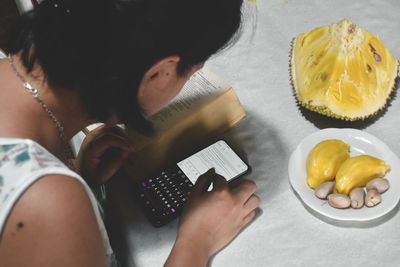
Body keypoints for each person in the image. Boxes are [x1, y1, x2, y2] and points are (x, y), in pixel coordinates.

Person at [0, 0, 259, 266]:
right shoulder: (48, 205)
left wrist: (79, 173)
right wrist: (197, 240)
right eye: (191, 74)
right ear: (161, 73)